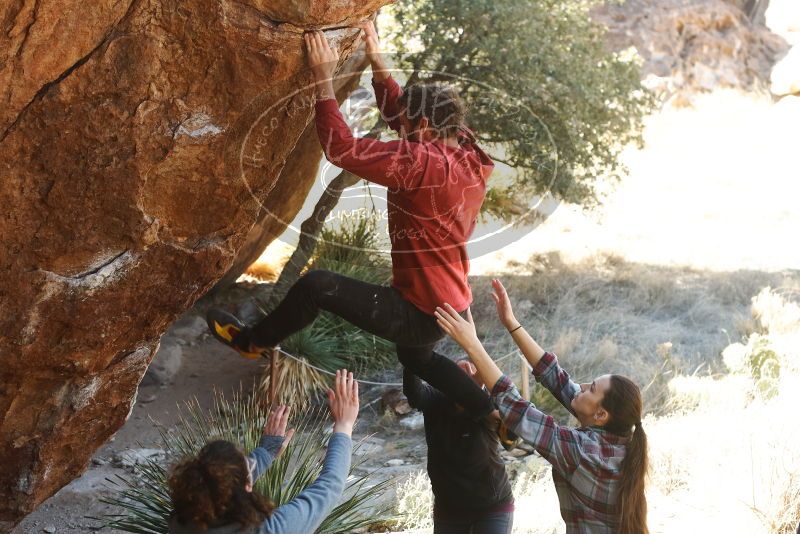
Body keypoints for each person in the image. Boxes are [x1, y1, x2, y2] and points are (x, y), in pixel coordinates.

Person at [207, 21, 499, 423]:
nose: (401, 127)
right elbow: (405, 115)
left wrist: (322, 78)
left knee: (316, 286)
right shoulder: (469, 153)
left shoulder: (420, 163)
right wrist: (379, 65)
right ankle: (493, 415)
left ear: (424, 130)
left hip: (419, 312)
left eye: (408, 126)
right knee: (419, 359)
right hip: (448, 303)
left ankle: (251, 342)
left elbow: (341, 148)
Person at [434, 279, 649, 534]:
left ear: (601, 414)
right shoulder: (618, 437)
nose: (580, 386)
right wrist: (511, 324)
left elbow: (519, 411)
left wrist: (472, 344)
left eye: (591, 388)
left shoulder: (584, 453)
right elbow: (557, 378)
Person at [167, 369, 359, 534]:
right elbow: (329, 486)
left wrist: (266, 452)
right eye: (249, 465)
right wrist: (344, 425)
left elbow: (221, 482)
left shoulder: (182, 522)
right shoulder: (271, 529)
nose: (252, 462)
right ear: (247, 487)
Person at [404, 357, 514, 534]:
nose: (463, 377)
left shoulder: (488, 404)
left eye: (470, 371)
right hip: (449, 509)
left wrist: (479, 388)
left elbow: (511, 441)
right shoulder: (434, 399)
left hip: (492, 505)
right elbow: (413, 393)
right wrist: (411, 353)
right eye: (457, 372)